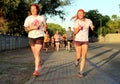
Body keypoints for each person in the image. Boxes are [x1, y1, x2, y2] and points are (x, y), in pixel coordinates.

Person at [24, 4, 47, 77]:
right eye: (31, 9)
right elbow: (26, 29)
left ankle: (36, 70)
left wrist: (45, 28)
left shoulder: (41, 18)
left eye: (34, 8)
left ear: (37, 9)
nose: (33, 10)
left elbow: (45, 25)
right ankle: (38, 63)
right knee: (35, 54)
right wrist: (32, 28)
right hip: (31, 37)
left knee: (37, 53)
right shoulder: (28, 18)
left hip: (39, 36)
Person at [72, 9, 94, 77]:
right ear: (78, 15)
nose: (80, 15)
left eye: (81, 13)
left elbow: (91, 26)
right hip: (78, 40)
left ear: (84, 14)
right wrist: (78, 28)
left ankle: (81, 71)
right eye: (79, 14)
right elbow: (75, 32)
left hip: (85, 40)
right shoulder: (76, 21)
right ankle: (77, 60)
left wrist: (92, 27)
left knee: (84, 56)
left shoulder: (88, 20)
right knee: (79, 55)